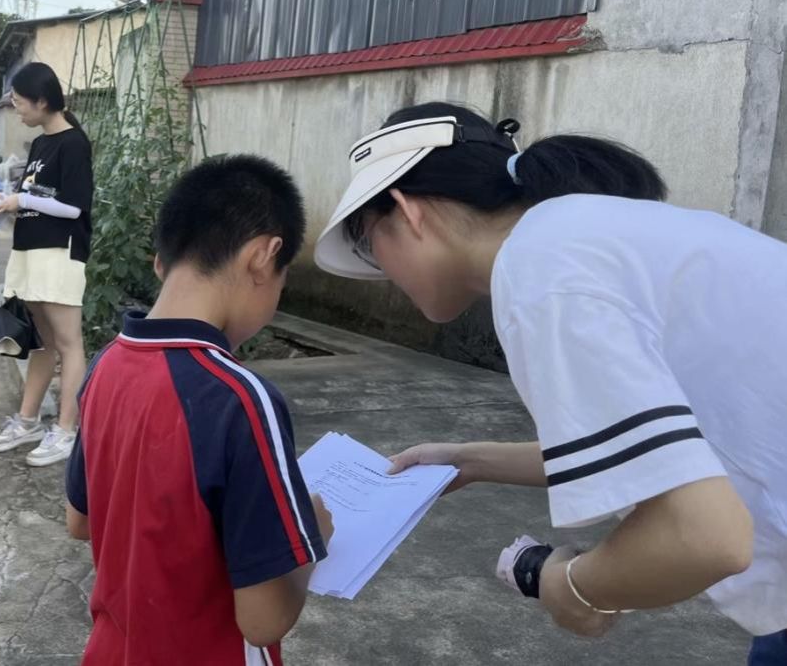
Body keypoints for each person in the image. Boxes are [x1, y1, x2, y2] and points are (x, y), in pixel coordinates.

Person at [315, 102, 786, 661]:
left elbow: (706, 537)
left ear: (407, 211)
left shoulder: (542, 275)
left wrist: (577, 587)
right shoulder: (577, 237)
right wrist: (468, 460)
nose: (381, 274)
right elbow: (661, 448)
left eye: (367, 244)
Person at [65, 155, 333, 665]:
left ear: (161, 261)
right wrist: (313, 537)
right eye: (283, 280)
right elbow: (263, 621)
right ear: (264, 257)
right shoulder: (241, 399)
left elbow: (81, 521)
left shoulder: (105, 366)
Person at [0, 62, 94, 467]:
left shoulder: (74, 143)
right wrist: (7, 203)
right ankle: (28, 421)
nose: (16, 109)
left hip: (59, 253)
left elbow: (74, 208)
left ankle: (66, 430)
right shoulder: (40, 144)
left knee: (68, 343)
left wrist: (23, 200)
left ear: (42, 101)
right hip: (30, 250)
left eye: (19, 102)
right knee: (45, 342)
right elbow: (37, 198)